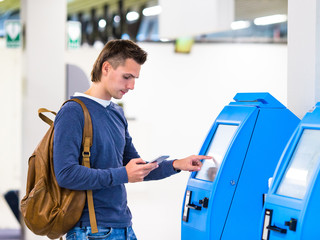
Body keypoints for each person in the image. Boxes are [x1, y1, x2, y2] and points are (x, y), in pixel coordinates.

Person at [53, 39, 211, 240]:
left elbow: (136, 168)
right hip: (91, 231)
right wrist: (123, 175)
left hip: (123, 227)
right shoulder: (73, 112)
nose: (131, 85)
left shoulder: (116, 113)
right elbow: (66, 174)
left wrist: (178, 164)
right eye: (126, 77)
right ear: (106, 68)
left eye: (135, 78)